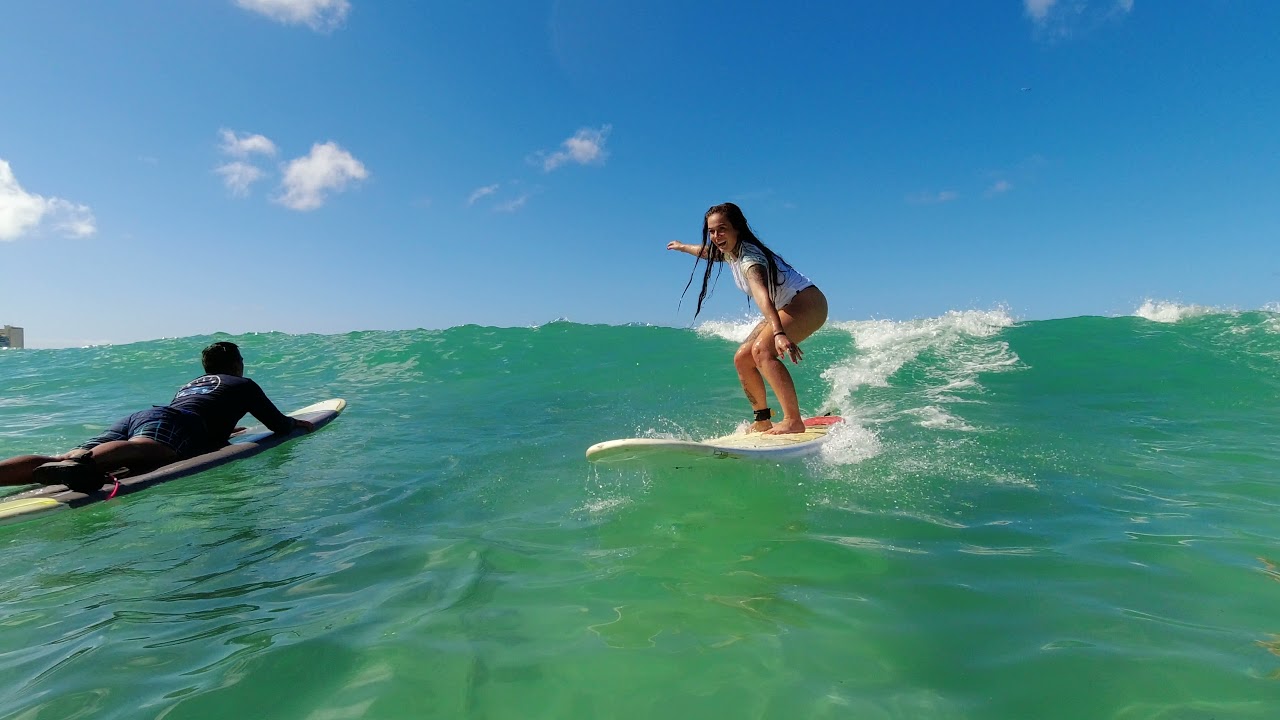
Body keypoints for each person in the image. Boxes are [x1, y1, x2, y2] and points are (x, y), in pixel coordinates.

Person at [0, 341, 313, 492]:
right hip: (171, 423)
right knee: (147, 449)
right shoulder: (242, 383)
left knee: (61, 455)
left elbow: (192, 412)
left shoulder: (192, 384)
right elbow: (277, 424)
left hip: (144, 415)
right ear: (235, 364)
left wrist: (225, 433)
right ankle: (84, 462)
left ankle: (62, 461)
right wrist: (294, 425)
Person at [667, 202, 828, 434]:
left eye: (721, 229)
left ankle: (793, 420)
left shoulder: (750, 259)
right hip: (786, 305)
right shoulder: (730, 251)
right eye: (711, 231)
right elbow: (708, 252)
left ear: (737, 229)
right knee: (742, 358)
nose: (715, 236)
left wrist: (779, 333)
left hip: (807, 303)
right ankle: (763, 418)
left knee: (762, 351)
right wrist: (683, 247)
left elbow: (763, 297)